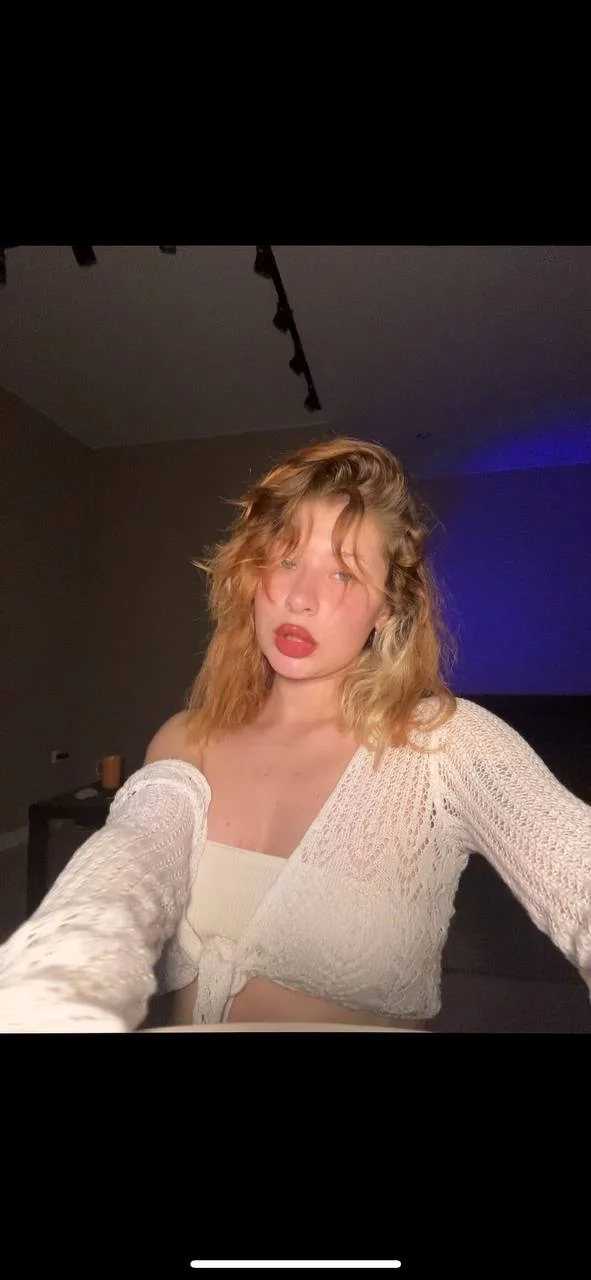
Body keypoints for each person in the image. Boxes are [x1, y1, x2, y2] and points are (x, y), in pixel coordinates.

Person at [0, 435, 589, 1032]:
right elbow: (124, 874)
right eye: (285, 561)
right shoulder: (183, 741)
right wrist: (54, 991)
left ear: (388, 607)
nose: (300, 599)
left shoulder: (445, 746)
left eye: (343, 574)